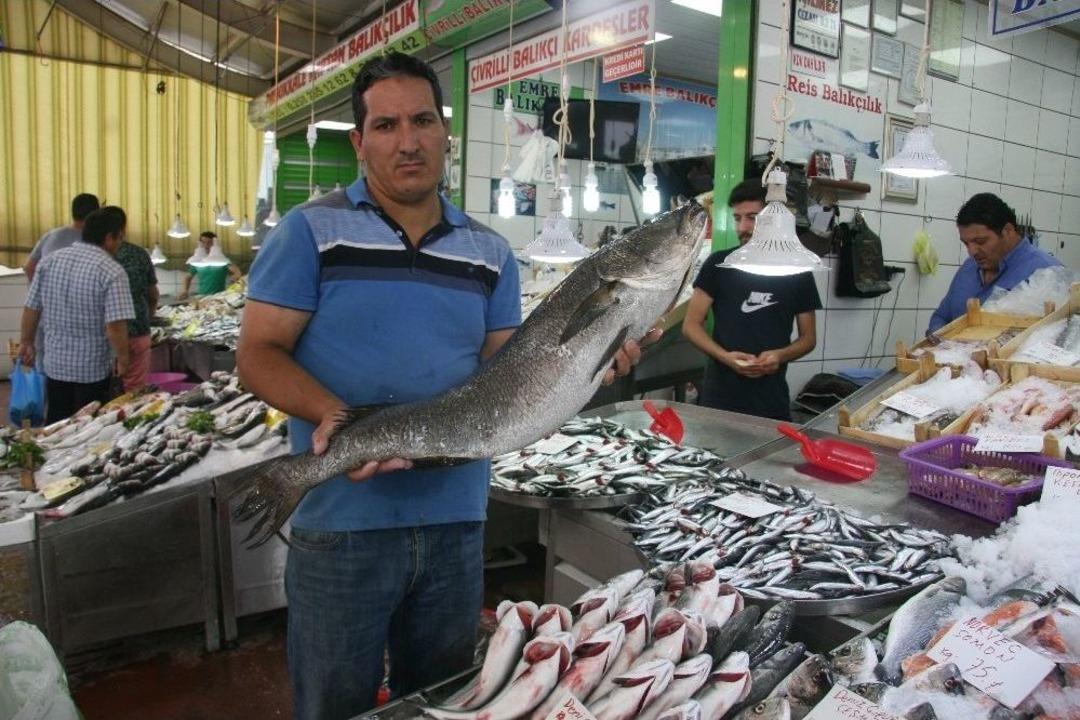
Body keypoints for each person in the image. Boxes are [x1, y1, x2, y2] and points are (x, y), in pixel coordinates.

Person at [237, 52, 653, 720]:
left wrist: (597, 360)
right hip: (342, 523)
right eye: (387, 124)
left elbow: (511, 381)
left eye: (424, 120)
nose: (409, 140)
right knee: (333, 703)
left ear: (445, 132)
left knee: (443, 700)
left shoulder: (488, 252)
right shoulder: (309, 232)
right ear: (359, 140)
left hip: (456, 525)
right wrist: (336, 419)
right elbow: (257, 355)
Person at [682, 179, 821, 421]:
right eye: (738, 218)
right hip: (719, 398)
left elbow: (808, 338)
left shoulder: (797, 271)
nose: (742, 227)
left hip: (770, 401)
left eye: (752, 218)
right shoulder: (719, 264)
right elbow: (691, 325)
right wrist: (725, 357)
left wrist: (780, 355)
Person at [19, 206, 134, 423]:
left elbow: (31, 307)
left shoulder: (50, 261)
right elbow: (115, 325)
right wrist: (123, 357)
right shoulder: (111, 270)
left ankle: (53, 457)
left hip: (55, 364)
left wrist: (26, 341)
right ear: (110, 238)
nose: (120, 244)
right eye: (120, 238)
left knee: (57, 421)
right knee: (87, 427)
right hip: (91, 369)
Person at [928, 193, 1061, 333]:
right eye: (966, 243)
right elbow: (942, 316)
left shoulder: (1048, 272)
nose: (972, 252)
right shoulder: (968, 268)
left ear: (1007, 231)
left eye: (980, 242)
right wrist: (938, 335)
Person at [114, 237, 159, 391]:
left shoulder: (98, 257)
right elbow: (153, 295)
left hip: (103, 337)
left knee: (101, 390)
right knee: (134, 391)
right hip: (138, 331)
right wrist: (149, 318)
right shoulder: (139, 254)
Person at [24, 193, 100, 282]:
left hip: (48, 293)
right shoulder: (95, 240)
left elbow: (29, 267)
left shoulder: (51, 234)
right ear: (96, 215)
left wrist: (40, 290)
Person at [177, 231, 241, 299]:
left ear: (214, 243)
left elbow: (237, 272)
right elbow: (188, 278)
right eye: (203, 242)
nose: (206, 245)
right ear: (200, 243)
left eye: (209, 242)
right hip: (202, 296)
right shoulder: (197, 260)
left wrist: (235, 278)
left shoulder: (221, 259)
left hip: (219, 296)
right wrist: (184, 291)